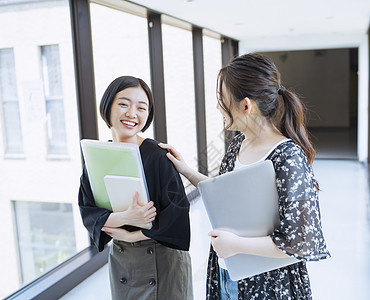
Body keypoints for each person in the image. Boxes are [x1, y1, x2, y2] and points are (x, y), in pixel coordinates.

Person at [159, 53, 330, 299]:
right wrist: (185, 169)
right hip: (228, 274)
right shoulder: (239, 142)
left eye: (222, 100)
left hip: (269, 286)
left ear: (246, 105)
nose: (218, 107)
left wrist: (236, 245)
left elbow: (299, 243)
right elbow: (224, 192)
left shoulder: (288, 158)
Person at [78, 76, 193, 300]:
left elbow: (178, 216)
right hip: (123, 260)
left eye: (141, 108)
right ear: (108, 106)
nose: (132, 114)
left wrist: (133, 236)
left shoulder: (159, 155)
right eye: (123, 104)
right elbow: (88, 212)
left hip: (164, 261)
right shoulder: (96, 156)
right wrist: (125, 217)